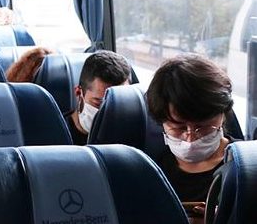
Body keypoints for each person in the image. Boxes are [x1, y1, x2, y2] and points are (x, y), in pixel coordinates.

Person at [147, 54, 235, 205]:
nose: (191, 138)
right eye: (179, 128)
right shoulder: (152, 170)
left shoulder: (247, 167)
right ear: (162, 123)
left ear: (222, 115)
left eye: (202, 126)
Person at [64, 50, 132, 145]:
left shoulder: (132, 134)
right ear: (78, 93)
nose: (110, 113)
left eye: (120, 104)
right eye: (99, 103)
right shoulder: (56, 134)